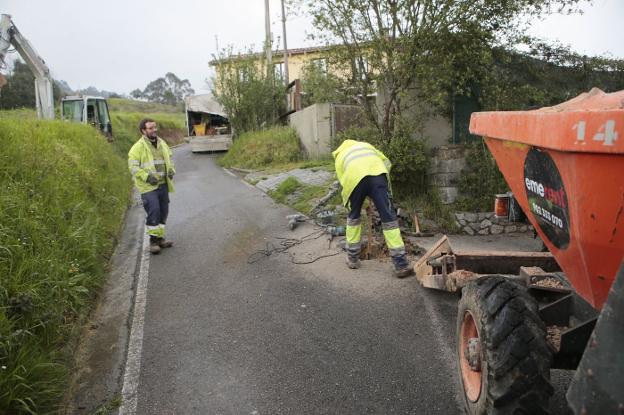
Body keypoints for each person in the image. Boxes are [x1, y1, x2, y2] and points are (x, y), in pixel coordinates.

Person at [332, 139, 413, 278]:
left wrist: (356, 198)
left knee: (354, 218)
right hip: (378, 176)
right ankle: (401, 264)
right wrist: (378, 186)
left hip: (355, 181)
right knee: (389, 219)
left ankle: (352, 259)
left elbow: (343, 180)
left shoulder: (340, 156)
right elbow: (386, 162)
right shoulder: (367, 146)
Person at [128, 118, 176, 254]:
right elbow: (133, 167)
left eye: (155, 127)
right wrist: (147, 177)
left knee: (163, 212)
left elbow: (169, 159)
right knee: (154, 211)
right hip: (148, 187)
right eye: (150, 128)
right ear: (143, 131)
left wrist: (171, 170)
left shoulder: (162, 143)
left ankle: (160, 239)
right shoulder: (137, 148)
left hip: (163, 185)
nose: (154, 130)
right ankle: (153, 242)